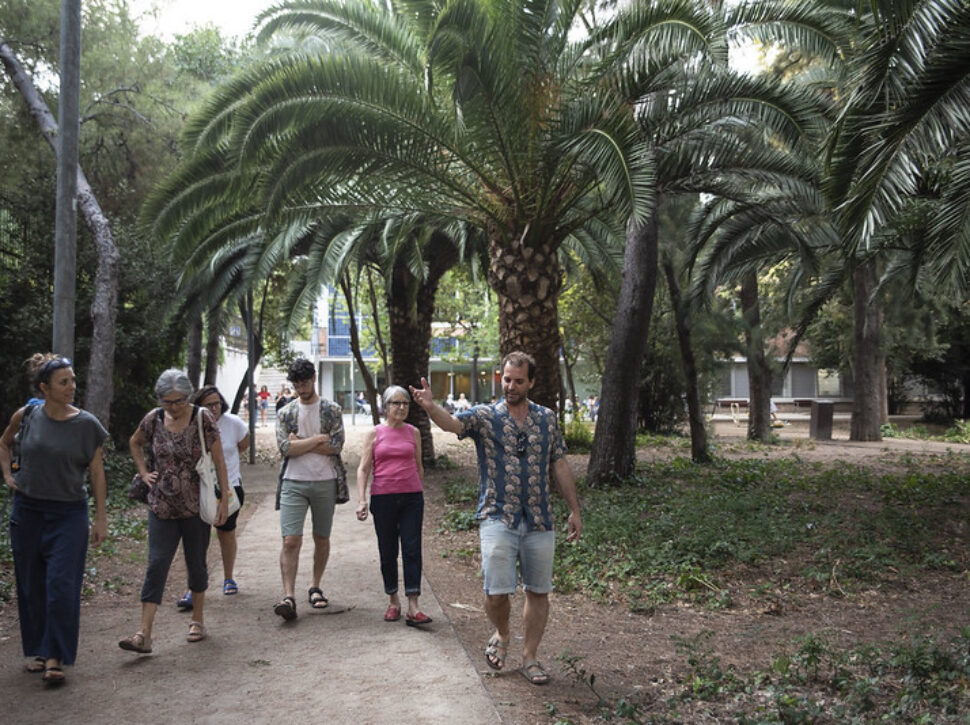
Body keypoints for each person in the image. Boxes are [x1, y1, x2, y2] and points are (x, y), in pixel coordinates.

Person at [410, 351, 582, 685]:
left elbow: (559, 463)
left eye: (519, 380)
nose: (511, 386)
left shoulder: (546, 419)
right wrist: (430, 407)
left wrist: (574, 509)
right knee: (495, 592)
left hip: (540, 519)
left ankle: (531, 657)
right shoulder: (486, 417)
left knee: (538, 591)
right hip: (497, 516)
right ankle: (502, 633)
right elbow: (454, 424)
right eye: (506, 379)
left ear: (531, 381)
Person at [0, 354, 108, 685]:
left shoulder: (87, 424)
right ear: (44, 388)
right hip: (28, 512)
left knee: (61, 585)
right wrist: (7, 476)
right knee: (32, 585)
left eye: (73, 380)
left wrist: (101, 518)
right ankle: (39, 648)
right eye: (64, 382)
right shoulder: (28, 414)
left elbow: (96, 472)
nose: (72, 387)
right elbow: (4, 443)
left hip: (68, 514)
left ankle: (54, 656)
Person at [119, 369, 231, 654]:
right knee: (156, 564)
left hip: (195, 505)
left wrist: (224, 502)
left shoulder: (201, 418)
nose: (173, 407)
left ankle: (197, 620)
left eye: (178, 401)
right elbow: (135, 442)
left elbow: (219, 461)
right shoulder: (154, 419)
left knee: (196, 562)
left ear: (188, 396)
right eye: (167, 401)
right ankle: (144, 633)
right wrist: (143, 472)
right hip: (161, 505)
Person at [273, 358, 348, 620]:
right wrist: (317, 439)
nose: (301, 388)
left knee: (321, 537)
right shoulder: (286, 413)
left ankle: (315, 585)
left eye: (304, 382)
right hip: (293, 481)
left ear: (313, 378)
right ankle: (288, 595)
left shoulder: (331, 409)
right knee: (290, 539)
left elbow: (336, 446)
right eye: (296, 384)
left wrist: (301, 442)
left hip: (325, 480)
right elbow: (285, 448)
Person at [355, 386, 431, 627]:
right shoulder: (375, 434)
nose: (401, 407)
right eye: (396, 403)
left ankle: (413, 605)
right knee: (388, 551)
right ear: (385, 407)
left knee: (411, 548)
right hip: (384, 498)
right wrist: (362, 500)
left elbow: (418, 465)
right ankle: (393, 601)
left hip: (411, 498)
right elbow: (364, 468)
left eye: (406, 403)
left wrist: (420, 490)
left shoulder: (414, 432)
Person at [174, 386, 250, 610]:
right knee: (197, 539)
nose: (214, 408)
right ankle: (194, 587)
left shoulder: (233, 423)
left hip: (229, 488)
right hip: (198, 489)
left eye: (217, 403)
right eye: (209, 405)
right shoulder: (191, 424)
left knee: (226, 534)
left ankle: (228, 578)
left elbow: (243, 444)